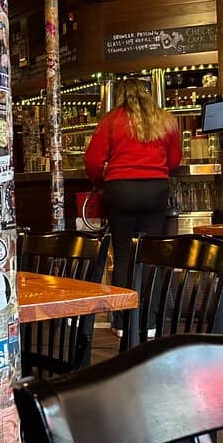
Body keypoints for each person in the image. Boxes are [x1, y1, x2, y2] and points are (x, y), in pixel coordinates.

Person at [84, 78, 182, 330]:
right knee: (150, 254)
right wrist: (154, 170)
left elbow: (93, 160)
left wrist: (100, 180)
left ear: (120, 96)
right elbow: (175, 159)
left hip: (121, 191)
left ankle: (122, 322)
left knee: (124, 255)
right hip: (155, 190)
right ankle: (150, 322)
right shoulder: (166, 120)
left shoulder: (111, 120)